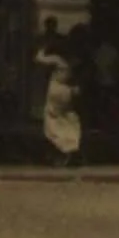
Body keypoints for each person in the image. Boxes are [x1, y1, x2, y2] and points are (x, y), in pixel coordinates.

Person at [36, 36, 84, 172]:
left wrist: (43, 48)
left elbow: (39, 58)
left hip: (56, 89)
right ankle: (72, 145)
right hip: (68, 90)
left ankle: (64, 148)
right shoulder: (73, 60)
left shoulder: (58, 59)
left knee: (52, 119)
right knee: (69, 118)